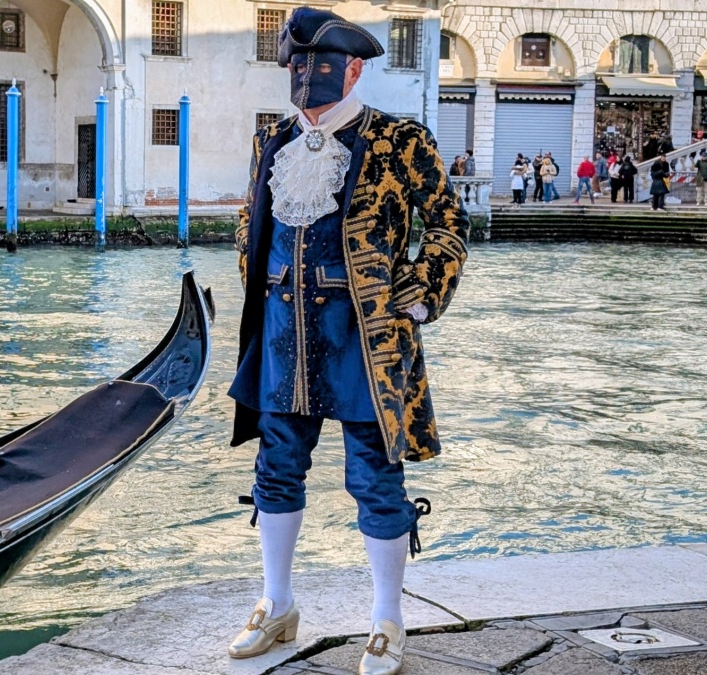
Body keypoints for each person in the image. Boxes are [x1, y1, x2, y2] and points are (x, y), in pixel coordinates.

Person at [227, 8, 469, 675]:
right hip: (283, 329)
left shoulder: (400, 140)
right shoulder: (270, 140)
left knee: (374, 476)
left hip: (367, 337)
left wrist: (419, 294)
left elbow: (449, 222)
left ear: (354, 70)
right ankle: (277, 604)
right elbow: (250, 220)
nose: (305, 80)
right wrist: (256, 277)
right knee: (276, 466)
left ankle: (387, 619)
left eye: (320, 67)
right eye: (297, 67)